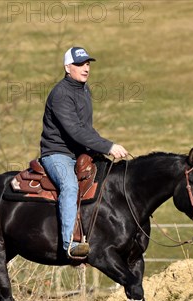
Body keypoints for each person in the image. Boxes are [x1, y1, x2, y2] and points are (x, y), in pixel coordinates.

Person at [40, 46, 128, 258]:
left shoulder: (84, 90)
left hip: (80, 153)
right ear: (67, 67)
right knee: (70, 187)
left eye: (87, 64)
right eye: (80, 64)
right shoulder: (60, 94)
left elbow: (86, 129)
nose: (85, 68)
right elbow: (75, 130)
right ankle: (69, 244)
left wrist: (99, 149)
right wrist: (108, 146)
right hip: (57, 154)